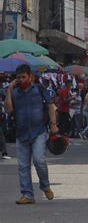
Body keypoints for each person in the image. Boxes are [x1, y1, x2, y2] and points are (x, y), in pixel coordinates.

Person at [4, 64, 58, 204]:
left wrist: (53, 125)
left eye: (24, 77)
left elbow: (50, 106)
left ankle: (45, 186)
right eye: (18, 77)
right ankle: (28, 195)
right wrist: (9, 90)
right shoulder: (14, 93)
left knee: (39, 161)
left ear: (31, 77)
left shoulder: (39, 89)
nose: (21, 79)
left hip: (39, 132)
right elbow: (9, 110)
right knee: (23, 166)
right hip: (21, 134)